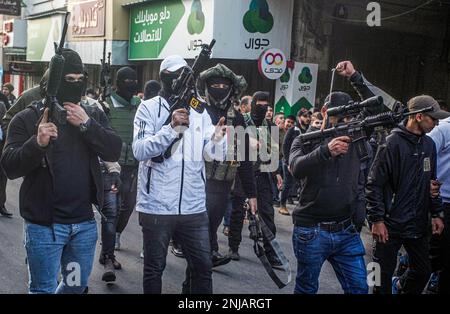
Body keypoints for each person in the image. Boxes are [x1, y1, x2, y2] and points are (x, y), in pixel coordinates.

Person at [0, 48, 122, 294]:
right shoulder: (28, 117)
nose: (75, 86)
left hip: (83, 227)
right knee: (43, 288)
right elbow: (10, 165)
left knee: (75, 286)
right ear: (54, 82)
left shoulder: (92, 113)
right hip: (44, 228)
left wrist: (87, 125)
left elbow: (113, 150)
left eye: (80, 80)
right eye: (69, 80)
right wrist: (38, 143)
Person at [133, 55, 227, 294]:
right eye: (175, 76)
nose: (180, 81)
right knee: (155, 267)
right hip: (157, 206)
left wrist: (218, 140)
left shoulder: (200, 111)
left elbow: (211, 154)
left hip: (194, 207)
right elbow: (140, 150)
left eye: (185, 76)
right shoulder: (149, 107)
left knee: (203, 267)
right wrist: (170, 129)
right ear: (164, 78)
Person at [289, 91, 369, 294]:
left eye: (349, 117)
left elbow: (381, 110)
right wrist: (326, 151)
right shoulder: (305, 140)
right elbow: (296, 168)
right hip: (312, 230)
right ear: (325, 112)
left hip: (347, 230)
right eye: (340, 117)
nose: (345, 121)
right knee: (306, 288)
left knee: (359, 288)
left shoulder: (357, 140)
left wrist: (355, 78)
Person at [366, 95, 446, 294]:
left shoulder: (429, 145)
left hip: (417, 224)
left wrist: (436, 213)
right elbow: (373, 184)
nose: (436, 123)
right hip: (389, 223)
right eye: (433, 118)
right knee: (377, 276)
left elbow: (432, 183)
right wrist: (376, 220)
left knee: (423, 271)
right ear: (418, 116)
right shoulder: (390, 143)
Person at [197, 63, 257, 268]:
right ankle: (204, 256)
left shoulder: (236, 117)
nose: (219, 90)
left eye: (225, 86)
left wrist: (251, 193)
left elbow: (245, 157)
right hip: (198, 181)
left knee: (213, 221)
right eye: (215, 85)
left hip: (224, 183)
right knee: (200, 224)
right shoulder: (198, 111)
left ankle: (208, 252)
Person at [97, 67, 142, 282]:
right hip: (110, 167)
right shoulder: (106, 104)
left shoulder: (139, 106)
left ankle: (114, 235)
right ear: (117, 82)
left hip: (133, 166)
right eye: (126, 80)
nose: (131, 83)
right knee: (112, 210)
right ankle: (108, 255)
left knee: (129, 205)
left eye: (134, 79)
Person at [238, 91, 284, 268]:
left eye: (266, 105)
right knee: (235, 212)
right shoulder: (242, 121)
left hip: (263, 174)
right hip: (241, 173)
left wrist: (277, 173)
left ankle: (271, 254)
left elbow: (273, 153)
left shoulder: (270, 126)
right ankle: (229, 247)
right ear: (253, 103)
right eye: (260, 104)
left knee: (267, 214)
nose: (263, 108)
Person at [428, 111, 450, 294]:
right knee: (436, 252)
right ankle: (404, 279)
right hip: (440, 201)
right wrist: (425, 182)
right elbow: (421, 157)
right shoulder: (444, 129)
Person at [279, 108, 311, 215]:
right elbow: (285, 146)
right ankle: (282, 205)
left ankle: (301, 205)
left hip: (302, 161)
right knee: (287, 184)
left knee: (302, 184)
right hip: (289, 161)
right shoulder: (292, 130)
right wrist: (288, 162)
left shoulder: (309, 130)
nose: (308, 118)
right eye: (305, 116)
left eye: (309, 116)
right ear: (299, 117)